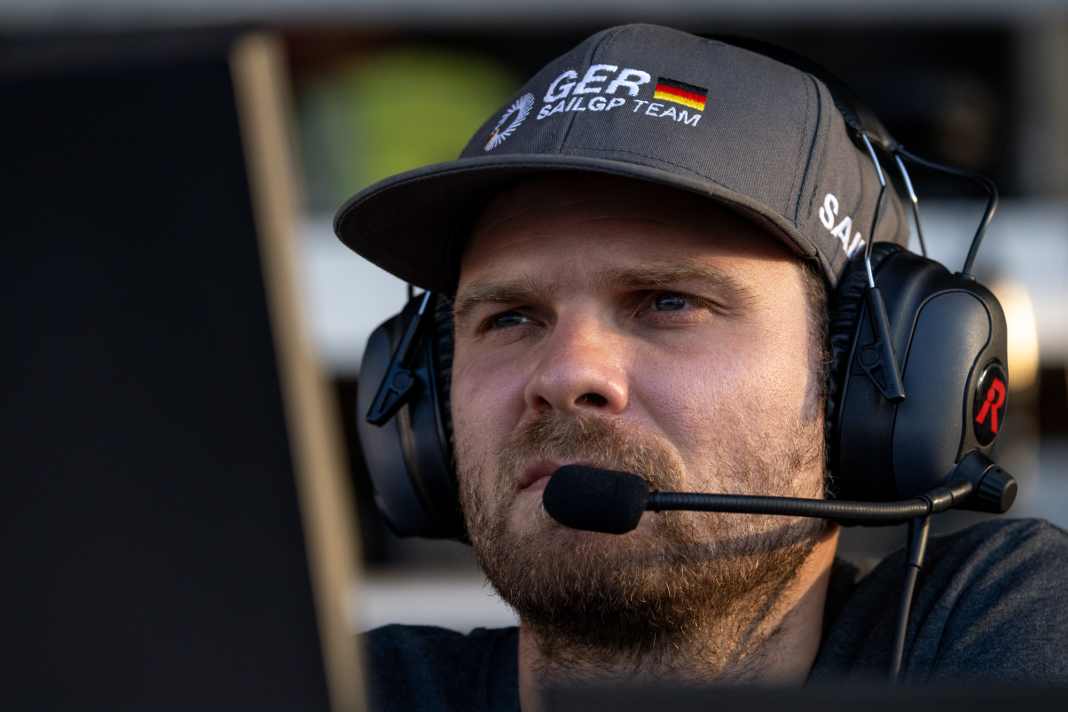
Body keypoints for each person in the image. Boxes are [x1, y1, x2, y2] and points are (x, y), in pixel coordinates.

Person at [334, 24, 1068, 711]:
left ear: (864, 385)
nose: (564, 375)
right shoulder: (337, 685)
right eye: (510, 318)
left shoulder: (1006, 626)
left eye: (667, 303)